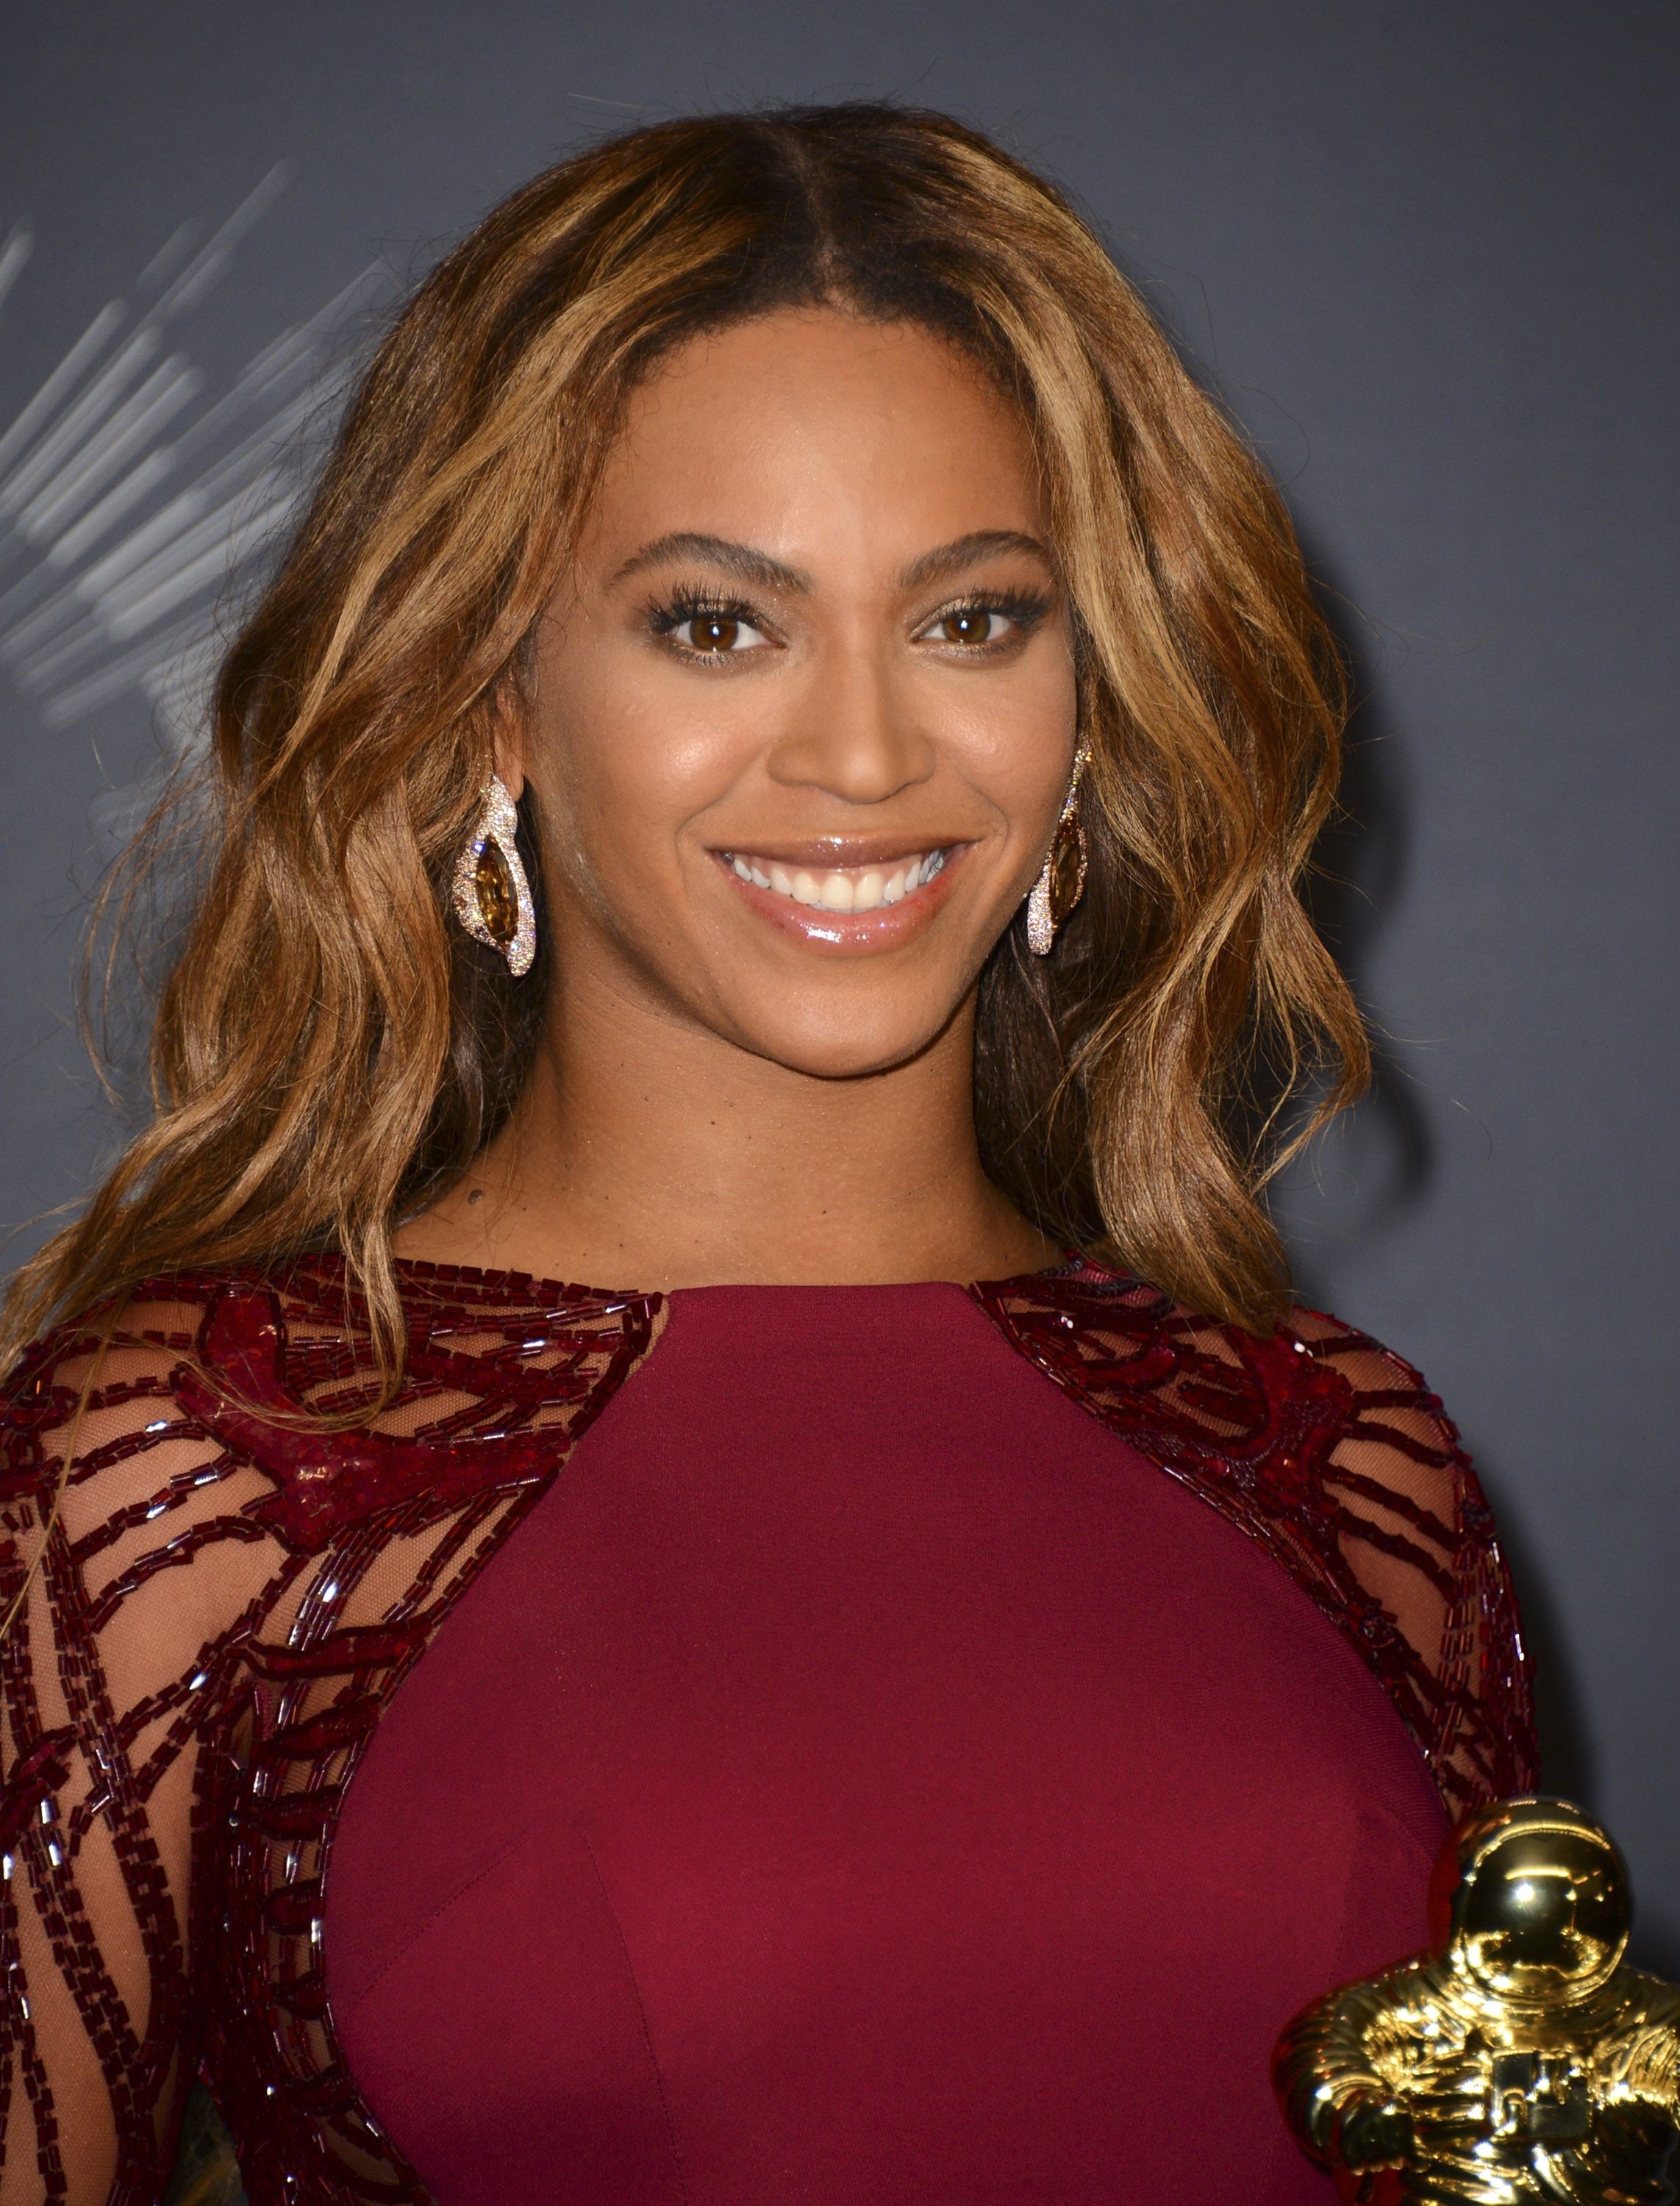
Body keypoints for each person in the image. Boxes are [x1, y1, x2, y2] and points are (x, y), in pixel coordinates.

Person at [0, 103, 1534, 2206]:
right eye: (717, 622)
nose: (868, 753)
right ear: (490, 702)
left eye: (977, 618)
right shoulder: (188, 1477)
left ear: (1094, 693)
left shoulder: (1344, 1461)